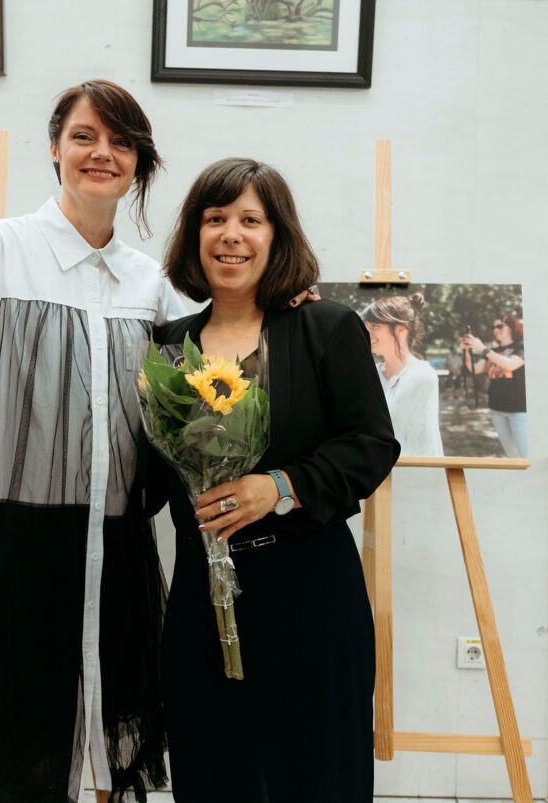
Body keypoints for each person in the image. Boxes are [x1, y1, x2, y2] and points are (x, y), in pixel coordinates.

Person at [0, 79, 188, 803]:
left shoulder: (150, 283)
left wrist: (290, 297)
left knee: (103, 734)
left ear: (139, 162)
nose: (102, 153)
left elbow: (213, 361)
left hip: (117, 548)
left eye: (121, 142)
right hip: (19, 543)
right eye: (84, 136)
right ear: (55, 148)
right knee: (24, 749)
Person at [152, 158, 400, 802]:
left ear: (277, 234)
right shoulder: (168, 346)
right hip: (201, 599)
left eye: (251, 220)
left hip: (311, 596)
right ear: (194, 235)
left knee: (316, 777)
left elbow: (372, 445)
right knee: (212, 774)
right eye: (215, 219)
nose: (231, 234)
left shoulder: (326, 327)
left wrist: (280, 487)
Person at [361, 292, 444, 457]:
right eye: (366, 327)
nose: (367, 333)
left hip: (412, 469)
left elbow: (422, 445)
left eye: (375, 326)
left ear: (401, 329)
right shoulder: (371, 373)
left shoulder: (421, 375)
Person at [461, 314, 527, 458]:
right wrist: (466, 351)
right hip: (496, 408)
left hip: (519, 409)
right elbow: (475, 369)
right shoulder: (492, 351)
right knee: (512, 455)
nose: (495, 330)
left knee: (526, 454)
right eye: (494, 327)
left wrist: (482, 348)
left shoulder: (521, 346)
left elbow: (510, 364)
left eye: (500, 326)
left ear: (512, 327)